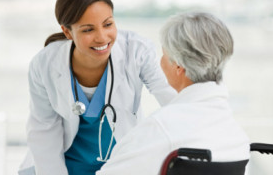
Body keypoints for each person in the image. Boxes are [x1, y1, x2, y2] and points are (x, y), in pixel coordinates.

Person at [18, 0, 176, 175]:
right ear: (68, 32)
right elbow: (43, 130)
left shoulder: (137, 51)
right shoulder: (45, 64)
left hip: (120, 166)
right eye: (88, 30)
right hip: (61, 166)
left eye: (108, 24)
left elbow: (173, 99)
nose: (102, 37)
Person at [96, 12, 250, 175]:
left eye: (164, 54)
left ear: (178, 66)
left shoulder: (161, 128)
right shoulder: (235, 135)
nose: (160, 61)